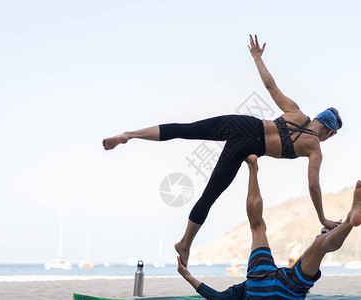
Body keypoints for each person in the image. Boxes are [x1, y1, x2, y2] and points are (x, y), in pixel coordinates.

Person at [103, 35, 343, 267]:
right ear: (330, 133)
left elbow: (270, 86)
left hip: (244, 124)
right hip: (248, 148)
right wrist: (322, 218)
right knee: (210, 195)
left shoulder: (296, 112)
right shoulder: (314, 148)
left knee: (185, 129)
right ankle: (185, 243)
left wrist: (257, 58)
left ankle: (129, 135)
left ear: (318, 117)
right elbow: (313, 186)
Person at [177, 155, 361, 299]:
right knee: (258, 227)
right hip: (260, 281)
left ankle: (349, 221)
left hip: (284, 290)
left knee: (319, 246)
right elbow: (218, 298)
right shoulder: (241, 290)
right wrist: (188, 276)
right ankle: (252, 165)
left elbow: (218, 298)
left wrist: (188, 278)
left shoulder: (239, 294)